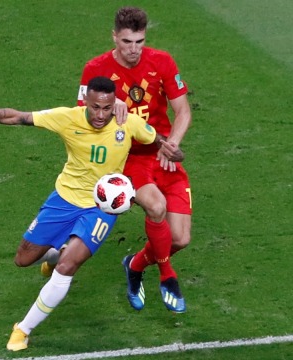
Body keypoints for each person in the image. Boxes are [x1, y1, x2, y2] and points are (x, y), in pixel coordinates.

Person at [0, 77, 183, 351]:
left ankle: (23, 329)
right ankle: (54, 255)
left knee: (68, 266)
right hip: (64, 200)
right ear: (86, 103)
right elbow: (17, 117)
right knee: (23, 259)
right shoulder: (67, 118)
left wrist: (173, 150)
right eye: (95, 108)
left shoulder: (127, 123)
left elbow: (160, 141)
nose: (101, 115)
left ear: (114, 103)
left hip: (101, 208)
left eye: (107, 108)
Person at [78, 7, 193, 314]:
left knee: (179, 239)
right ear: (114, 36)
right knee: (156, 207)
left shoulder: (163, 61)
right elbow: (84, 118)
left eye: (139, 42)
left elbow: (183, 111)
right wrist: (103, 103)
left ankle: (135, 264)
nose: (133, 49)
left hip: (162, 152)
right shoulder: (96, 70)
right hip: (130, 158)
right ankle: (168, 277)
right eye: (127, 41)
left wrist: (172, 145)